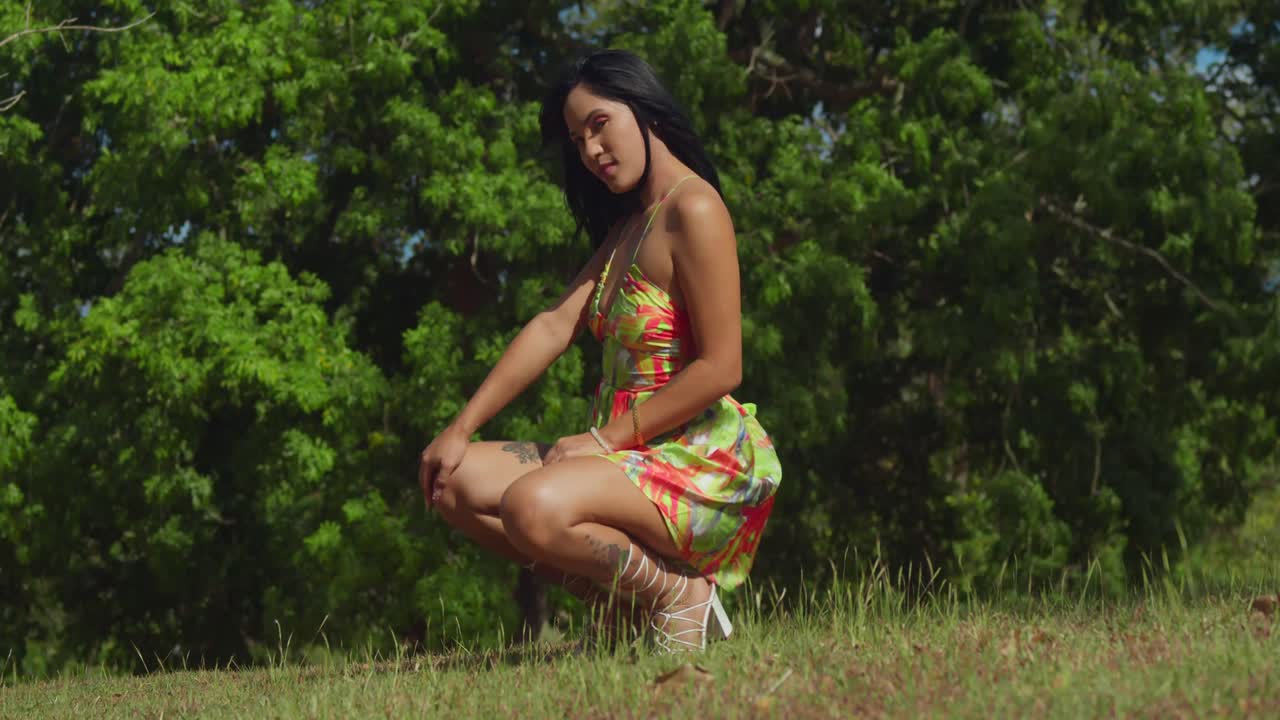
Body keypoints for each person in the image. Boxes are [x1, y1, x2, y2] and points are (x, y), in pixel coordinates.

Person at [418, 49, 782, 654]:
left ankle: (678, 597)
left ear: (644, 110)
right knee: (448, 482)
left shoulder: (694, 208)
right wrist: (461, 426)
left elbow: (723, 366)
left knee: (530, 507)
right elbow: (554, 325)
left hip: (694, 459)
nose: (589, 149)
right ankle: (624, 605)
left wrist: (604, 439)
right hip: (630, 456)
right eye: (576, 137)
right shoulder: (625, 230)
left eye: (599, 124)